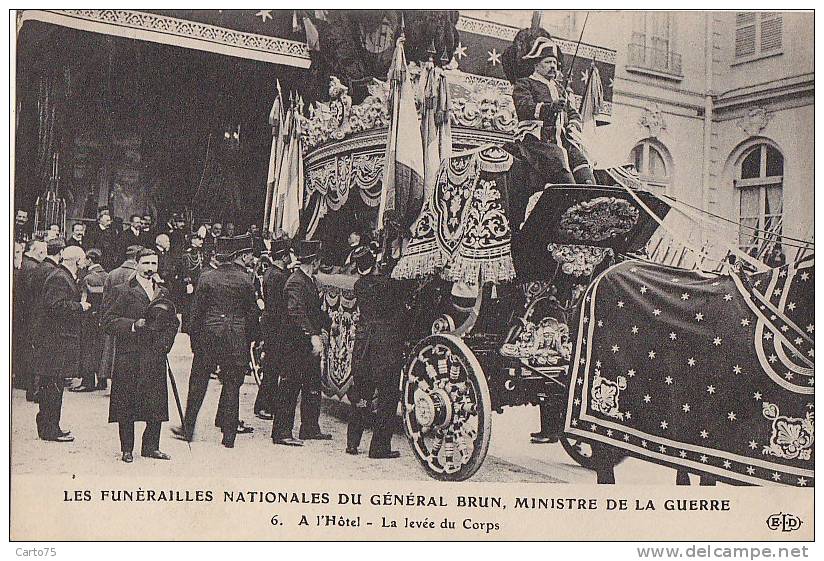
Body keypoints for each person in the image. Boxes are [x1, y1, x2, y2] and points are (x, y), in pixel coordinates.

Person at [172, 234, 258, 448]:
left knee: (198, 382)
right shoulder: (245, 280)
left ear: (218, 257)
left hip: (209, 336)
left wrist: (194, 339)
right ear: (236, 256)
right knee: (231, 384)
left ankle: (188, 427)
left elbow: (196, 312)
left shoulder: (207, 277)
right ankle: (229, 435)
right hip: (235, 336)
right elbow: (252, 313)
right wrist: (250, 338)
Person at [103, 248, 179, 463]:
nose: (150, 268)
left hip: (155, 354)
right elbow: (108, 321)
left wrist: (165, 343)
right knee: (126, 402)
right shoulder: (122, 290)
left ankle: (151, 446)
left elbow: (173, 322)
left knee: (155, 402)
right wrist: (133, 325)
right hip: (130, 355)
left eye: (153, 264)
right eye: (146, 263)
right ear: (136, 264)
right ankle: (127, 448)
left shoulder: (163, 291)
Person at [345, 247, 409, 458]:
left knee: (361, 395)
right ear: (374, 263)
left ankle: (352, 443)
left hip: (364, 347)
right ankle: (379, 447)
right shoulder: (388, 285)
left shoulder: (359, 285)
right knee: (387, 398)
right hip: (385, 348)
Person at [271, 240, 332, 446]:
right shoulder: (296, 282)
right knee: (289, 387)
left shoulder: (306, 280)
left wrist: (325, 325)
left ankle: (309, 428)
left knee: (312, 386)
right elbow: (296, 311)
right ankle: (281, 432)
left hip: (305, 344)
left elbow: (312, 311)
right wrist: (313, 334)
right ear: (314, 261)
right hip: (294, 344)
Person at [512, 36, 594, 185]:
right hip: (536, 139)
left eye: (555, 63)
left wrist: (572, 125)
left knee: (580, 159)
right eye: (548, 62)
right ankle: (570, 193)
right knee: (557, 156)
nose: (553, 66)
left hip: (561, 139)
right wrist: (550, 108)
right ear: (537, 65)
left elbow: (573, 113)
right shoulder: (525, 84)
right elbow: (524, 108)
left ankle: (589, 192)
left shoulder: (559, 89)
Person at [31, 244, 91, 442]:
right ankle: (49, 430)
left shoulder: (63, 276)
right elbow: (55, 306)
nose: (84, 263)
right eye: (82, 259)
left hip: (56, 342)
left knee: (54, 386)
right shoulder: (60, 277)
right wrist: (80, 306)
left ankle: (51, 426)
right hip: (55, 343)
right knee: (52, 387)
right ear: (76, 260)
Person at [254, 239, 291, 421]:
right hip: (276, 325)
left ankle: (265, 404)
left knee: (271, 365)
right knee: (272, 367)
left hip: (270, 323)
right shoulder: (279, 276)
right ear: (284, 256)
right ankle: (264, 405)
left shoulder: (270, 272)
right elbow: (281, 305)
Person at [24, 238, 66, 401]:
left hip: (35, 316)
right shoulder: (52, 270)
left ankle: (34, 391)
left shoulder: (40, 267)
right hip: (45, 320)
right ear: (61, 252)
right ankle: (37, 393)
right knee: (44, 361)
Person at [98, 244, 143, 391]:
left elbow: (105, 299)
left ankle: (108, 381)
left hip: (114, 319)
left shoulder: (112, 273)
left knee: (111, 351)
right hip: (133, 323)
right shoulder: (139, 274)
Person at [71, 249, 109, 392]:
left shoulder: (88, 278)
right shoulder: (107, 275)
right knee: (100, 348)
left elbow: (83, 300)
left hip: (89, 318)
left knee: (87, 349)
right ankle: (102, 380)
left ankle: (88, 382)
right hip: (102, 317)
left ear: (90, 260)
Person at [178, 233, 205, 333]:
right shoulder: (186, 255)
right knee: (188, 307)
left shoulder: (199, 253)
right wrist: (187, 283)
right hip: (190, 285)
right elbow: (184, 271)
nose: (201, 241)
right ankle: (186, 329)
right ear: (192, 240)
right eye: (199, 239)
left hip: (198, 284)